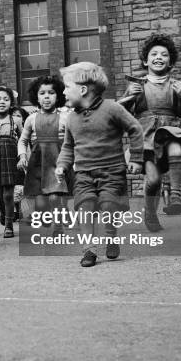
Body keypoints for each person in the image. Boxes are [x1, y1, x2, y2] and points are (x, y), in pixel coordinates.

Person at [55, 62, 144, 267]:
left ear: (83, 89)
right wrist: (62, 165)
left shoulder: (112, 108)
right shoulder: (70, 119)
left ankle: (111, 236)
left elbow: (135, 129)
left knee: (108, 205)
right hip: (84, 173)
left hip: (112, 171)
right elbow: (68, 146)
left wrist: (137, 158)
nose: (63, 91)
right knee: (84, 208)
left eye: (67, 87)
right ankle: (89, 250)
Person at [122, 33, 181, 231]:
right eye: (154, 54)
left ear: (170, 61)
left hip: (170, 132)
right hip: (146, 137)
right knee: (153, 180)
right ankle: (150, 212)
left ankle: (176, 196)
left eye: (164, 54)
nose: (159, 57)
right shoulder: (138, 85)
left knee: (176, 150)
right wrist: (129, 97)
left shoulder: (176, 85)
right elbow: (123, 114)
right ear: (146, 60)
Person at [17, 75, 70, 217]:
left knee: (55, 197)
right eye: (42, 93)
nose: (47, 97)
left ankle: (58, 228)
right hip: (38, 164)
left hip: (57, 162)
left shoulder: (65, 118)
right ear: (36, 97)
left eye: (51, 93)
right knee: (40, 201)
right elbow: (22, 141)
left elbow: (72, 142)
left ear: (58, 96)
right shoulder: (31, 119)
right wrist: (22, 156)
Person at [0, 86, 23, 238]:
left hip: (10, 161)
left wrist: (23, 156)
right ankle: (4, 211)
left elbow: (23, 140)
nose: (2, 102)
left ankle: (8, 225)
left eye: (6, 99)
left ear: (11, 103)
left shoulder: (17, 121)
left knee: (8, 195)